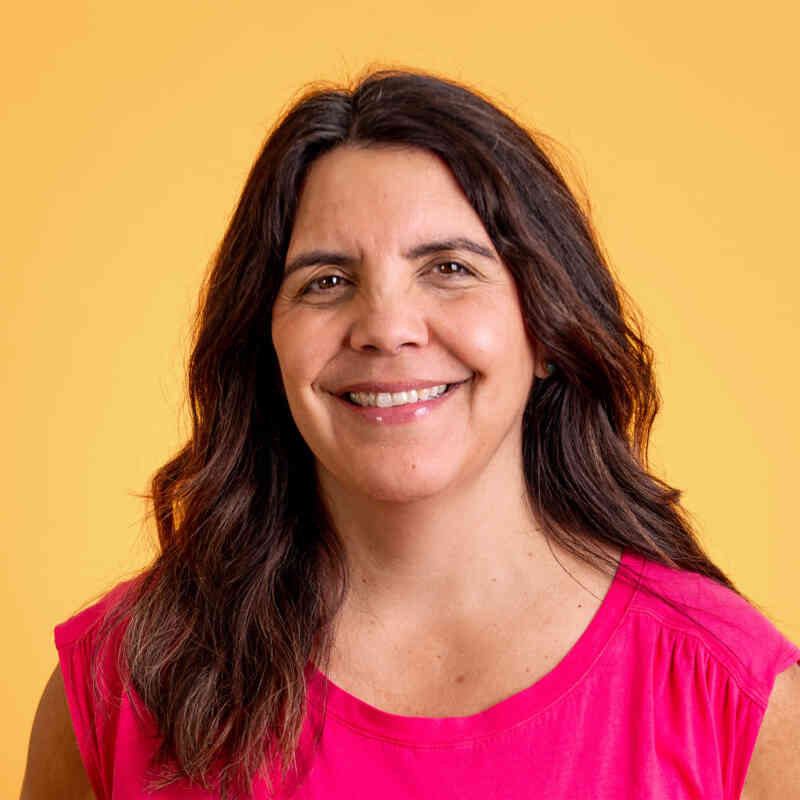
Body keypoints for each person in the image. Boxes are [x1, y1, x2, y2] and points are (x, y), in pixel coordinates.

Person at [21, 67, 800, 800]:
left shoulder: (733, 697)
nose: (387, 328)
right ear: (266, 344)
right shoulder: (121, 681)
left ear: (548, 330)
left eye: (450, 269)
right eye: (325, 282)